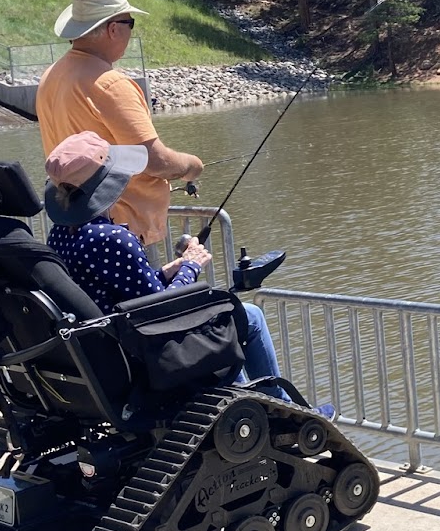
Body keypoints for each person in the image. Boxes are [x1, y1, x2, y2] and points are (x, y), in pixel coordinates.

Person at [42, 131, 284, 390]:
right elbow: (164, 313)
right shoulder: (112, 239)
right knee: (252, 316)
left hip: (103, 349)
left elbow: (121, 289)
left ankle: (248, 401)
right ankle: (282, 409)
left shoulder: (60, 235)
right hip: (142, 353)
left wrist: (166, 272)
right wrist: (191, 266)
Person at [36, 0, 202, 247]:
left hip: (75, 225)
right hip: (120, 232)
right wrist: (191, 166)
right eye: (130, 23)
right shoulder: (111, 84)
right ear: (113, 29)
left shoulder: (52, 75)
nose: (131, 31)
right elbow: (154, 161)